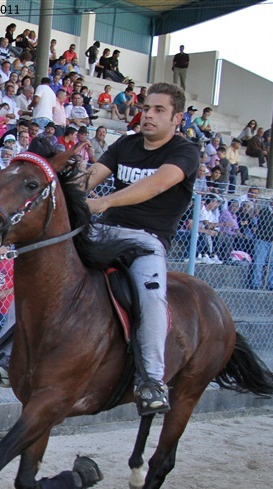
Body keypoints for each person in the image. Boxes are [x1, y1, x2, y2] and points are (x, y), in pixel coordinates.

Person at [84, 82, 199, 414]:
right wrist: (66, 193)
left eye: (158, 110)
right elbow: (91, 176)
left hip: (146, 242)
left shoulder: (185, 152)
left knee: (151, 298)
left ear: (177, 118)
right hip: (103, 231)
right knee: (45, 264)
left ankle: (151, 379)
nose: (148, 115)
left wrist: (104, 201)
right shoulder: (126, 144)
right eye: (146, 108)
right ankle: (3, 359)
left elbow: (157, 184)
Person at [251, 195, 273, 291]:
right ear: (271, 202)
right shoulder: (264, 211)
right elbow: (266, 224)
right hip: (262, 240)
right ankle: (256, 283)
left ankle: (271, 283)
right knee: (259, 262)